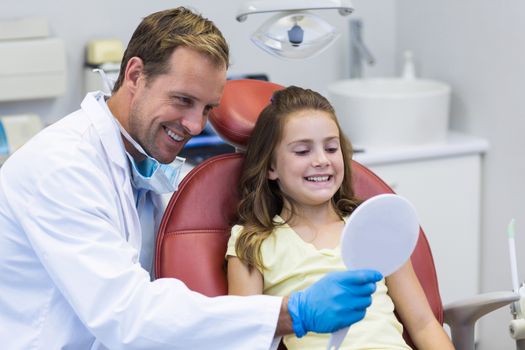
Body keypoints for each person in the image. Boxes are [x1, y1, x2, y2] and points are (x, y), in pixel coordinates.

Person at [0, 7, 382, 350]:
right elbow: (128, 316)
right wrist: (292, 315)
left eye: (207, 108)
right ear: (135, 75)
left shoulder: (146, 165)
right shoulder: (62, 167)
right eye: (183, 100)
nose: (195, 125)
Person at [226, 86, 455, 349]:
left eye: (332, 148)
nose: (322, 160)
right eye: (302, 151)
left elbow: (424, 324)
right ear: (270, 167)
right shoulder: (253, 243)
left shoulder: (373, 226)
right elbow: (243, 336)